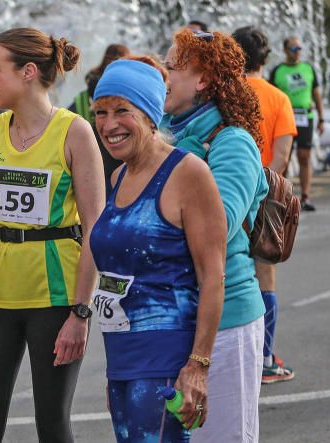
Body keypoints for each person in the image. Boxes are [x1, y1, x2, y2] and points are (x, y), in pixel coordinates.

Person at [0, 28, 105, 443]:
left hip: (55, 300)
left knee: (53, 427)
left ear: (29, 72)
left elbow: (95, 227)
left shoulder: (75, 132)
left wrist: (81, 312)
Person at [89, 57, 227, 441]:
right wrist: (119, 372)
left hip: (165, 357)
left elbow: (213, 278)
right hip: (122, 358)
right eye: (100, 112)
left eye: (122, 111)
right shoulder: (119, 175)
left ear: (150, 116)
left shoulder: (188, 174)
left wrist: (197, 366)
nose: (109, 124)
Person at [159, 27, 267, 441]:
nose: (163, 76)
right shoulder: (164, 137)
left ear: (202, 80)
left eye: (172, 68)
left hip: (227, 320)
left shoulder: (232, 142)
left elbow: (215, 227)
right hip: (169, 317)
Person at [233, 26, 297, 386]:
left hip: (223, 194)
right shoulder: (278, 98)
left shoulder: (224, 94)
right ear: (266, 59)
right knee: (265, 277)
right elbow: (283, 154)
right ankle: (264, 357)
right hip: (262, 199)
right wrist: (261, 192)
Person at [268, 36, 325, 211]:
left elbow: (316, 94)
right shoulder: (277, 70)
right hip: (285, 117)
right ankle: (282, 196)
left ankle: (306, 196)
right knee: (284, 157)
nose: (298, 51)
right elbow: (271, 96)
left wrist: (321, 118)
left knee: (304, 156)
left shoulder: (308, 69)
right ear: (285, 50)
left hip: (304, 117)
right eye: (294, 49)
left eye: (300, 48)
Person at [69, 43, 131, 195]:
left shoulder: (85, 93)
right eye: (101, 111)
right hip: (117, 154)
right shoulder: (125, 86)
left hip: (89, 154)